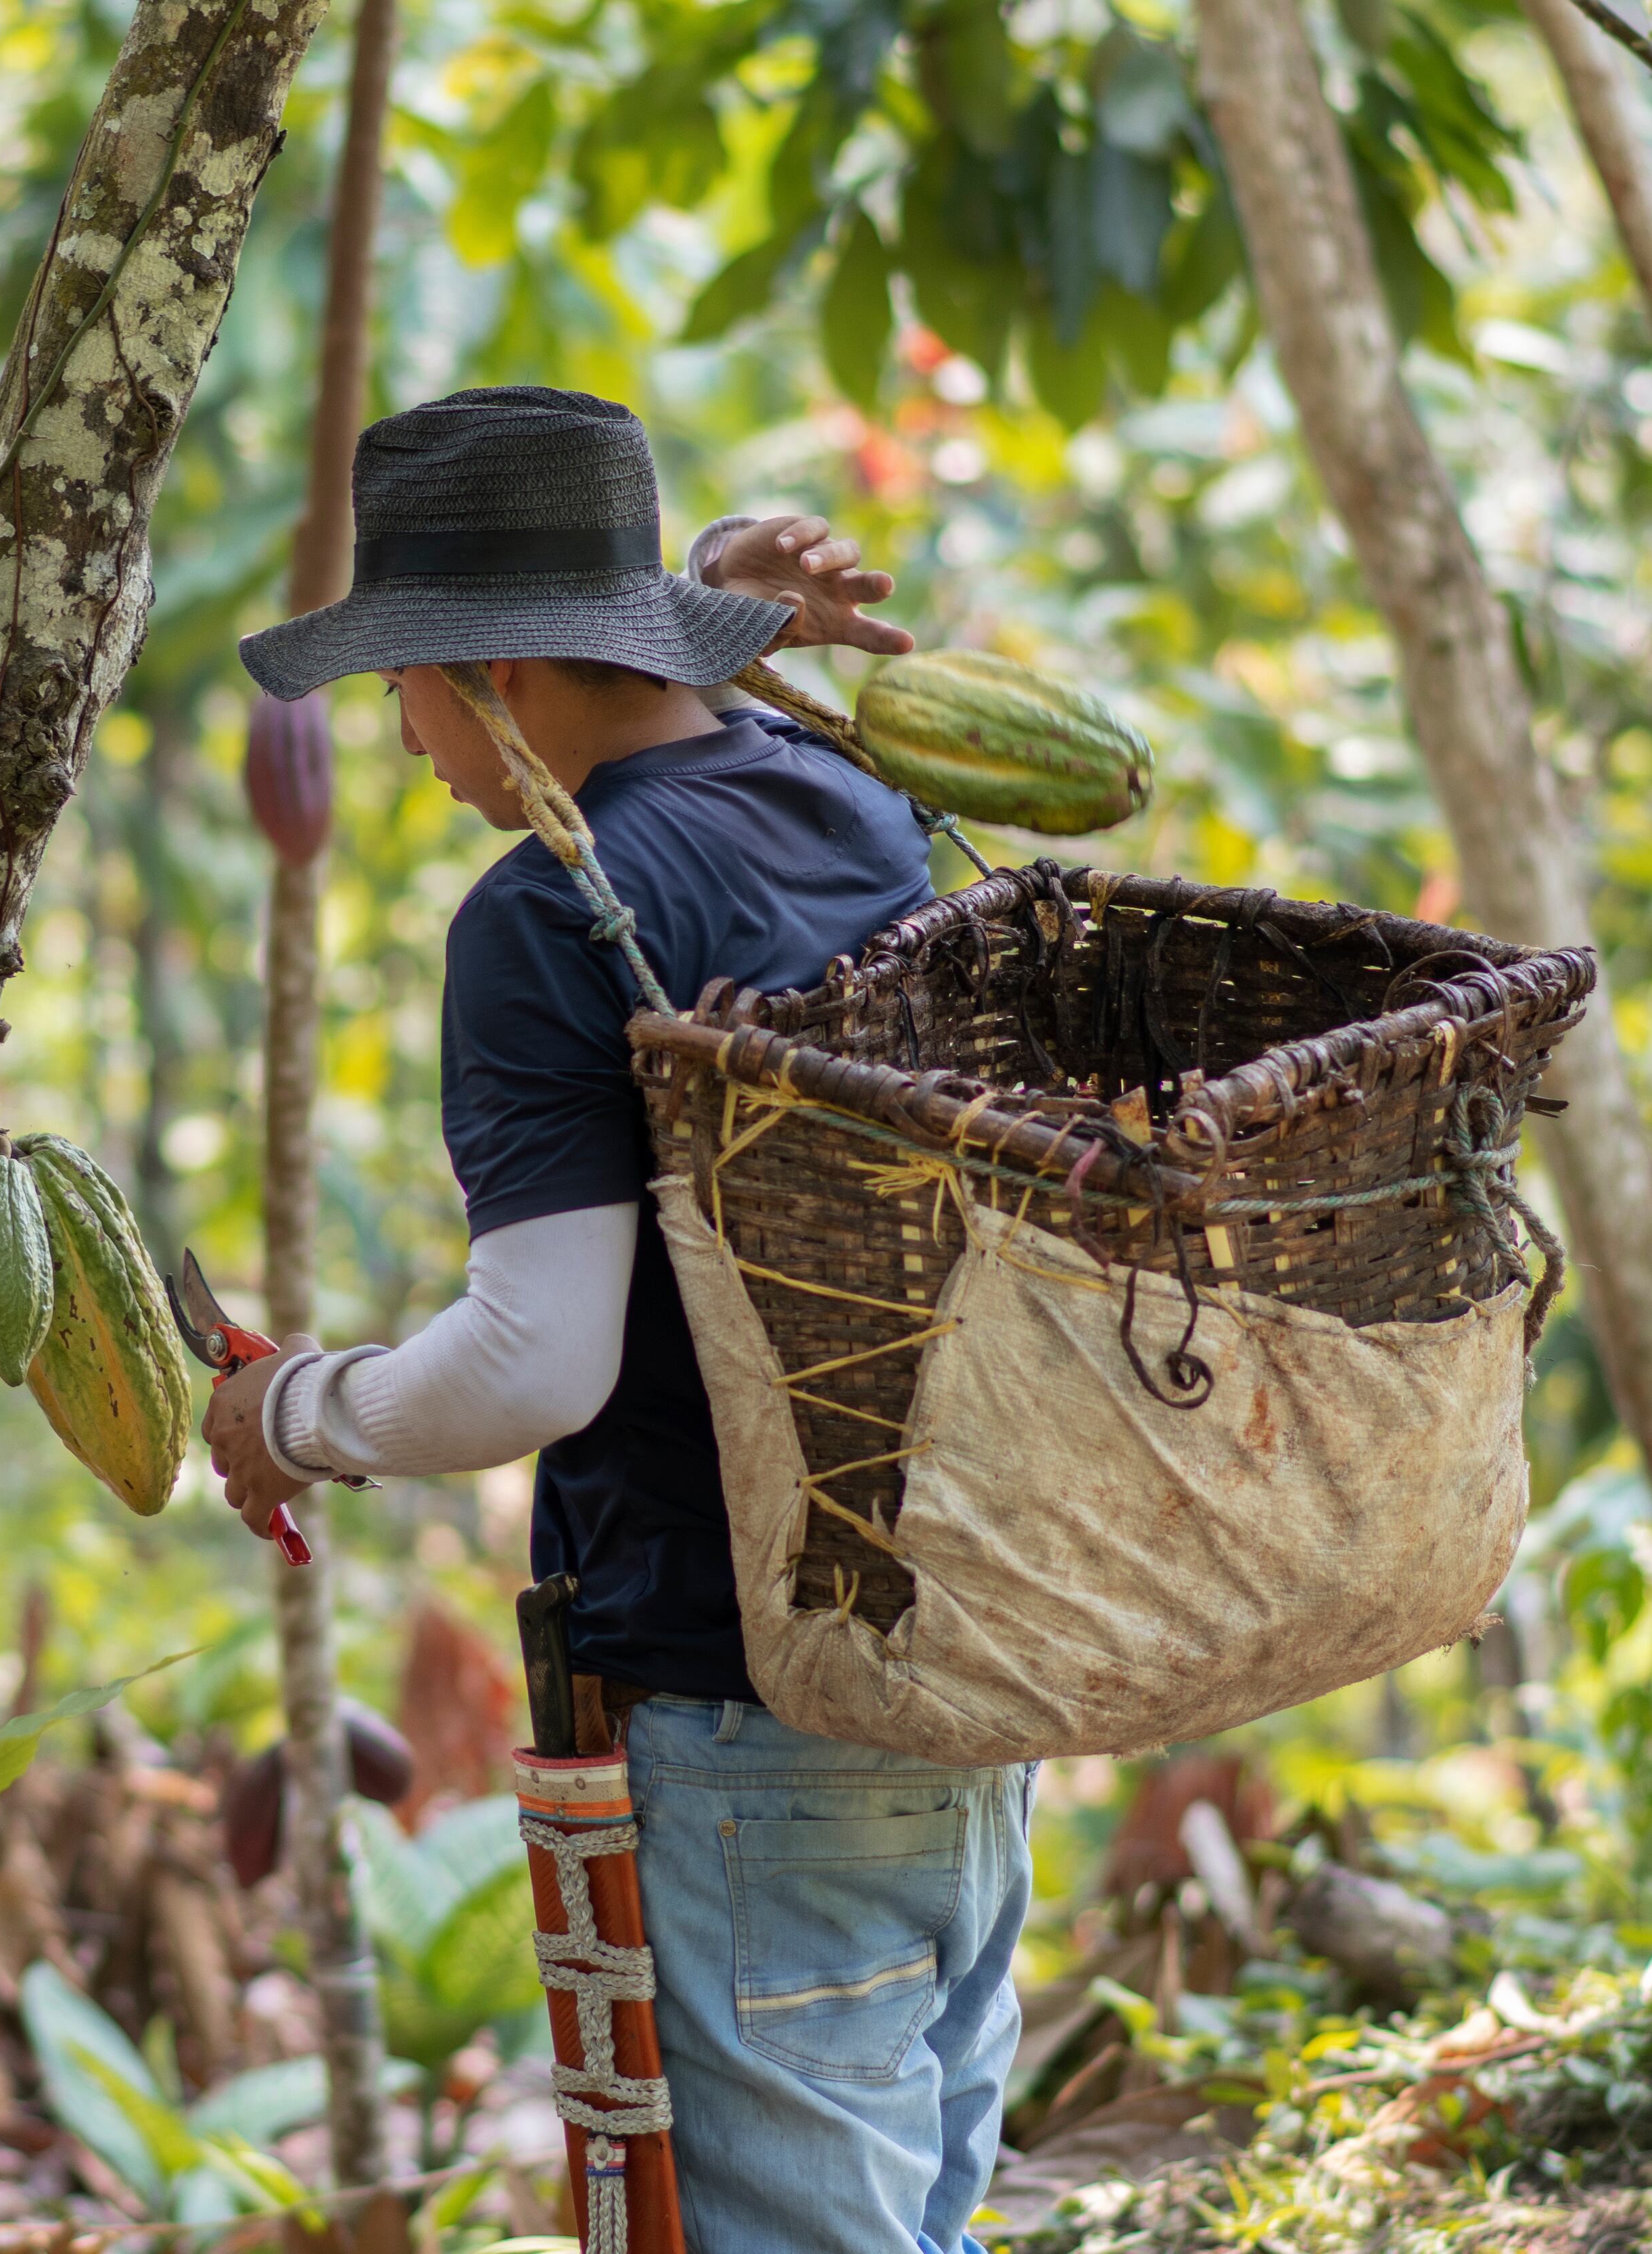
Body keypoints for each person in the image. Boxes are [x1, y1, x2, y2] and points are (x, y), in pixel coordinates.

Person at [206, 385, 1035, 2254]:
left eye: (405, 685)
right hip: (957, 1664)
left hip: (742, 1709)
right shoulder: (849, 797)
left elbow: (538, 1361)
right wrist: (719, 593)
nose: (402, 739)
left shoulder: (542, 916)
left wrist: (294, 1415)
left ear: (494, 665)